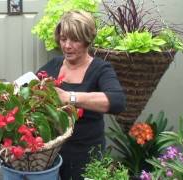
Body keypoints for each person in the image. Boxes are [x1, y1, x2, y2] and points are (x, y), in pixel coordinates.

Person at [36, 11, 126, 180]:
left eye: (74, 40)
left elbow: (117, 101)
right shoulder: (54, 65)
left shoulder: (101, 69)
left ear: (87, 41)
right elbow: (31, 87)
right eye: (63, 39)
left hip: (85, 155)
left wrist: (70, 97)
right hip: (51, 154)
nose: (67, 46)